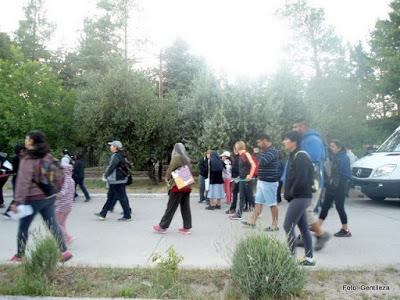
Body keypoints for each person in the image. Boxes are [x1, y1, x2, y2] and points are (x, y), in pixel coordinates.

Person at [10, 131, 72, 262]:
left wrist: (17, 201)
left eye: (27, 139)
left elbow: (23, 182)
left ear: (31, 141)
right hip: (49, 196)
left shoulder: (27, 159)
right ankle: (64, 251)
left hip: (32, 199)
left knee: (23, 226)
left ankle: (20, 255)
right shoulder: (47, 155)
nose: (25, 141)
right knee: (53, 225)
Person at [293, 119, 330, 251]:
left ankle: (321, 234)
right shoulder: (305, 140)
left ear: (303, 126)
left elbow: (313, 161)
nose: (294, 130)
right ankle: (304, 237)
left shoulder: (312, 140)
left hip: (312, 182)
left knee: (305, 210)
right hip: (308, 181)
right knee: (301, 211)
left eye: (296, 127)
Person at [282, 131, 315, 266]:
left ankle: (291, 259)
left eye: (286, 139)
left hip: (301, 196)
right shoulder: (296, 155)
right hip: (302, 196)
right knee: (303, 227)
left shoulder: (300, 156)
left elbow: (301, 179)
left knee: (287, 225)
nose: (283, 141)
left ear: (294, 141)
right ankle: (309, 258)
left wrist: (290, 194)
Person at [242, 134, 280, 231]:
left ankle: (274, 225)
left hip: (270, 182)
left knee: (272, 204)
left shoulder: (272, 152)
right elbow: (258, 161)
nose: (258, 144)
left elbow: (262, 161)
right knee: (258, 202)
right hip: (261, 181)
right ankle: (252, 222)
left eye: (259, 142)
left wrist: (257, 154)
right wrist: (257, 154)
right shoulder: (264, 152)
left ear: (264, 141)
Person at [153, 143, 192, 234]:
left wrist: (166, 177)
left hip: (178, 185)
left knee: (170, 207)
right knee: (185, 207)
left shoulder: (177, 157)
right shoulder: (186, 158)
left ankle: (162, 226)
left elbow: (170, 169)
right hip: (187, 184)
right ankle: (187, 227)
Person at [319, 140, 352, 237]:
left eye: (333, 146)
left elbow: (347, 175)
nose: (331, 148)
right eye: (330, 146)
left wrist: (336, 180)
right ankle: (317, 227)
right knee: (325, 206)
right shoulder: (333, 157)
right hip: (332, 185)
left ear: (339, 147)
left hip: (340, 186)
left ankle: (346, 230)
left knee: (339, 207)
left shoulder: (344, 158)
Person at [95, 141, 132, 221]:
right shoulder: (121, 155)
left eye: (112, 146)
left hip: (116, 180)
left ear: (116, 147)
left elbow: (111, 167)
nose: (110, 147)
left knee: (121, 198)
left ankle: (127, 216)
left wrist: (106, 175)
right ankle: (103, 214)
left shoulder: (116, 156)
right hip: (119, 180)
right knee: (111, 197)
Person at [229, 141, 256, 220]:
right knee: (242, 197)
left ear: (238, 147)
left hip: (246, 180)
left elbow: (253, 165)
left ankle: (256, 212)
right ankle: (239, 214)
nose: (235, 148)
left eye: (235, 146)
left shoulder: (246, 154)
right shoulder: (241, 156)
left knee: (250, 196)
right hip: (242, 180)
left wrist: (250, 175)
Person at [3, 145, 25, 218]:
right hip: (20, 179)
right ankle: (9, 212)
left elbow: (14, 170)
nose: (23, 151)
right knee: (18, 196)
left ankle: (9, 212)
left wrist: (6, 171)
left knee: (18, 196)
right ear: (20, 151)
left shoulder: (19, 158)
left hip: (19, 179)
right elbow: (15, 170)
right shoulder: (20, 158)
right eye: (22, 150)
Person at [56, 161, 75, 244]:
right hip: (69, 206)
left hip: (62, 206)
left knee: (57, 223)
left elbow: (62, 192)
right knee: (62, 222)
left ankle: (66, 237)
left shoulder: (64, 180)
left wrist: (55, 195)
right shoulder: (71, 180)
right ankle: (67, 238)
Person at [226, 147, 240, 214]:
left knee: (238, 194)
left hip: (238, 178)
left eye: (235, 149)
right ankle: (233, 209)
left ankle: (233, 209)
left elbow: (239, 168)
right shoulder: (235, 157)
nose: (234, 151)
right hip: (235, 178)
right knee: (235, 194)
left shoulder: (239, 157)